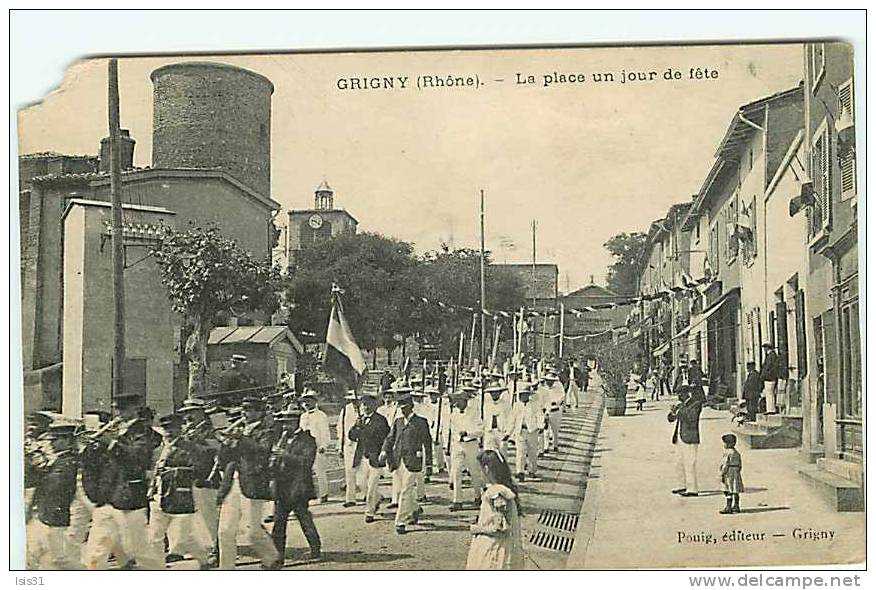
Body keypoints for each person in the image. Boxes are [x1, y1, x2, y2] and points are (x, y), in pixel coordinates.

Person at [217, 397, 280, 570]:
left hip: (253, 483)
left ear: (259, 412)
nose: (244, 414)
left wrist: (242, 438)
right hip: (232, 483)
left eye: (249, 410)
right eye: (244, 410)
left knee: (252, 531)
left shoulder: (267, 431)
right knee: (224, 531)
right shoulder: (239, 430)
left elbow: (263, 450)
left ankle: (271, 557)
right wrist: (226, 444)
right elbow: (224, 460)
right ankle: (226, 568)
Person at [105, 394, 164, 570]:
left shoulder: (142, 431)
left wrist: (112, 444)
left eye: (122, 409)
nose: (118, 413)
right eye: (116, 408)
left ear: (134, 409)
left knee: (139, 546)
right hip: (113, 491)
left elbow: (137, 457)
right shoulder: (120, 430)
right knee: (114, 541)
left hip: (131, 490)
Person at [147, 414, 212, 570]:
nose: (169, 432)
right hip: (159, 494)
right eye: (166, 428)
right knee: (154, 536)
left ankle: (203, 559)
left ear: (180, 429)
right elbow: (153, 471)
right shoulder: (158, 449)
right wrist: (151, 488)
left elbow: (199, 468)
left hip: (179, 494)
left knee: (183, 535)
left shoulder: (190, 448)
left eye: (173, 428)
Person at [26, 422, 81, 569]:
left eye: (56, 440)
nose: (52, 444)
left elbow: (55, 485)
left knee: (58, 561)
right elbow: (31, 482)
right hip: (44, 515)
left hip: (54, 518)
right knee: (32, 557)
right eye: (51, 440)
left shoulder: (69, 461)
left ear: (68, 440)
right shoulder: (56, 460)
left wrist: (41, 466)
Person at [270, 408, 322, 562]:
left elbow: (306, 462)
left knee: (304, 519)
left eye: (289, 423)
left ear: (297, 422)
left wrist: (286, 455)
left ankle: (315, 549)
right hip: (282, 487)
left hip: (299, 487)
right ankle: (277, 556)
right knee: (279, 523)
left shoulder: (307, 439)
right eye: (284, 423)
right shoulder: (283, 439)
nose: (286, 427)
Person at [380, 392, 432, 535]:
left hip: (413, 460)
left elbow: (427, 443)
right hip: (398, 460)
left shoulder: (421, 422)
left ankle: (400, 521)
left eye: (406, 407)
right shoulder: (398, 422)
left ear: (412, 406)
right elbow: (390, 438)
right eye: (401, 407)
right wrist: (384, 451)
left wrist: (428, 464)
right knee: (403, 489)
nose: (404, 410)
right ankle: (414, 509)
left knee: (405, 490)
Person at [465, 450, 524, 570]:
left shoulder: (496, 492)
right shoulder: (503, 489)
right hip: (507, 549)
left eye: (479, 470)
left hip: (496, 551)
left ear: (486, 469)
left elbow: (501, 528)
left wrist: (478, 529)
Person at [348, 394, 391, 523]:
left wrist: (384, 452)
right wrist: (356, 426)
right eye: (363, 405)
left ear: (374, 406)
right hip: (362, 456)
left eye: (368, 405)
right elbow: (351, 436)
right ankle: (377, 498)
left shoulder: (380, 420)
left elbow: (386, 438)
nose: (365, 407)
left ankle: (369, 512)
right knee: (361, 484)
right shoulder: (359, 420)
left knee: (372, 486)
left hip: (375, 457)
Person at [447, 390, 485, 511]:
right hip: (457, 445)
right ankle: (457, 500)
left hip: (471, 444)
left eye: (458, 400)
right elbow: (451, 431)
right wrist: (457, 437)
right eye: (455, 400)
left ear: (464, 401)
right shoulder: (453, 415)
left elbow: (481, 431)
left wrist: (468, 433)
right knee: (456, 472)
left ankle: (477, 496)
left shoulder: (474, 413)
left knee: (474, 472)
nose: (456, 403)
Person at [668, 386, 705, 497]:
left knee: (690, 463)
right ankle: (682, 485)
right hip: (679, 437)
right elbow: (670, 419)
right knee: (679, 463)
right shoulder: (682, 405)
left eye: (681, 394)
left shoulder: (696, 404)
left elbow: (691, 418)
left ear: (687, 393)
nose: (679, 396)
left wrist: (679, 411)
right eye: (678, 394)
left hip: (690, 437)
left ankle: (692, 489)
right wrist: (673, 412)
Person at [299, 391, 331, 503]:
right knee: (305, 472)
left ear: (315, 402)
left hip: (317, 446)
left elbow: (325, 432)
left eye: (309, 401)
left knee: (320, 471)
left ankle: (323, 493)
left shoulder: (321, 415)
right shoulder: (303, 416)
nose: (306, 403)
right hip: (305, 448)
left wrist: (323, 445)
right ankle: (307, 495)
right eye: (304, 401)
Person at [337, 391, 365, 507]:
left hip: (362, 445)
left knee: (363, 472)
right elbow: (341, 428)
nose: (355, 403)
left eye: (356, 400)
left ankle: (367, 493)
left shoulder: (364, 409)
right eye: (353, 400)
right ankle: (350, 498)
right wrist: (340, 447)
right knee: (349, 471)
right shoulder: (345, 410)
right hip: (348, 445)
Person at [510, 386, 541, 481]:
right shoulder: (516, 405)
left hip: (532, 431)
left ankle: (532, 470)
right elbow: (512, 420)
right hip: (520, 431)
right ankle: (520, 472)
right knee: (520, 453)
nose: (522, 396)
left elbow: (540, 416)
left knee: (532, 452)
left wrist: (540, 426)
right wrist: (509, 433)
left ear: (528, 395)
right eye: (520, 395)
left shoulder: (534, 404)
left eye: (524, 394)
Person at [482, 383, 512, 457]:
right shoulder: (487, 405)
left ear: (500, 393)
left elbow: (510, 419)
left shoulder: (505, 404)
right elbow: (485, 418)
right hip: (489, 431)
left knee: (502, 455)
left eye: (496, 392)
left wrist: (508, 433)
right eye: (492, 392)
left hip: (501, 432)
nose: (494, 394)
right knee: (488, 454)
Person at [719, 433, 744, 515]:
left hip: (729, 473)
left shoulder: (727, 453)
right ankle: (736, 506)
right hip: (736, 472)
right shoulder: (737, 453)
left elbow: (725, 464)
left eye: (725, 443)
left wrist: (722, 473)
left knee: (728, 490)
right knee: (735, 490)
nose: (724, 445)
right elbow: (740, 465)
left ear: (729, 444)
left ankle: (728, 506)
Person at [761, 343, 780, 415]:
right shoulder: (770, 355)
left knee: (770, 393)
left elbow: (770, 367)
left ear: (767, 348)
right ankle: (769, 409)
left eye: (765, 348)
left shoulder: (771, 355)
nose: (764, 350)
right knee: (768, 393)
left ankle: (771, 409)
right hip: (769, 377)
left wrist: (766, 374)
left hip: (770, 378)